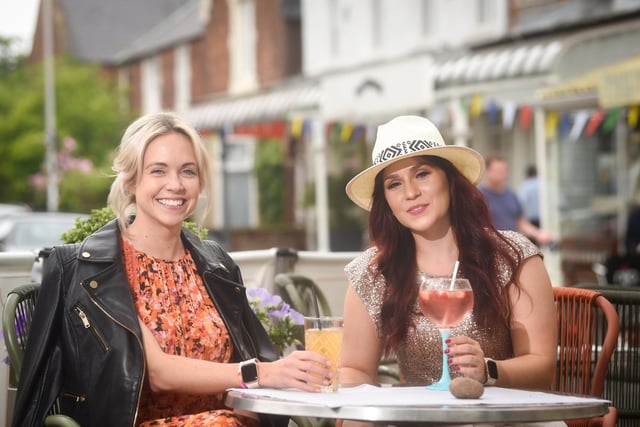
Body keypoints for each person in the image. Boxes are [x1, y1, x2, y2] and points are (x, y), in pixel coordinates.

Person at [13, 112, 332, 427]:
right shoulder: (94, 269)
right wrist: (259, 374)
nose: (175, 185)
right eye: (158, 171)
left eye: (188, 172)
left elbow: (252, 353)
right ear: (132, 180)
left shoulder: (215, 264)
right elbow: (158, 373)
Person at [341, 116, 559, 427]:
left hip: (510, 420)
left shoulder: (511, 255)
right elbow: (355, 370)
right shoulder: (373, 272)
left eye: (422, 174)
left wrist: (489, 371)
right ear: (386, 201)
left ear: (449, 179)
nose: (411, 192)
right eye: (394, 184)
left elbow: (542, 367)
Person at [480, 155, 553, 246]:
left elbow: (520, 222)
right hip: (489, 248)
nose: (501, 173)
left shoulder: (511, 195)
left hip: (511, 248)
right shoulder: (478, 196)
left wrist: (538, 234)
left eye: (504, 170)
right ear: (487, 171)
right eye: (497, 170)